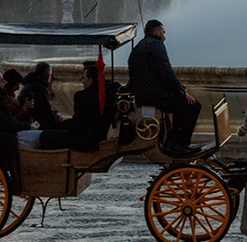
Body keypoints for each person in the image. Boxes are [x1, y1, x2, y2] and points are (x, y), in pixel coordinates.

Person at [127, 19, 202, 158]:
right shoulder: (156, 45)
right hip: (153, 96)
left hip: (144, 94)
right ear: (156, 31)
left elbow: (153, 75)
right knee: (192, 105)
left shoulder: (140, 46)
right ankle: (177, 145)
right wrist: (182, 91)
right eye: (163, 31)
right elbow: (165, 71)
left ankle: (175, 144)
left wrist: (177, 87)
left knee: (182, 104)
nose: (164, 36)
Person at [37, 61, 116, 151]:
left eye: (83, 78)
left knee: (45, 135)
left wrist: (62, 125)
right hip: (101, 135)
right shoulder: (109, 94)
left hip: (85, 140)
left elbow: (79, 123)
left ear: (90, 80)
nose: (82, 81)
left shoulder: (82, 96)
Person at [17, 62, 65, 130]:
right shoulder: (39, 88)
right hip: (33, 124)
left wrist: (55, 113)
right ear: (49, 76)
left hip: (28, 121)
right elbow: (46, 111)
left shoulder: (30, 84)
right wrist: (56, 119)